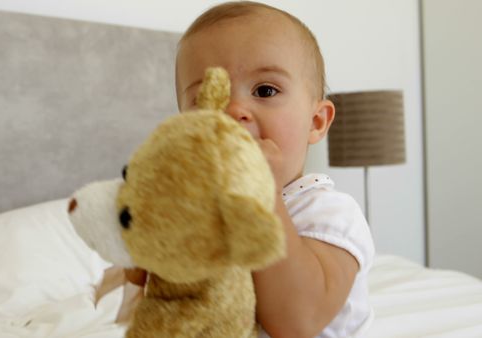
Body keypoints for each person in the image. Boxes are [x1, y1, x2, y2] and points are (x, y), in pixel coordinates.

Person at [121, 2, 375, 337]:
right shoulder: (203, 217)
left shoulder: (328, 213)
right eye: (207, 99)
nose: (235, 110)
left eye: (265, 90)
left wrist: (262, 193)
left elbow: (297, 322)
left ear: (315, 122)